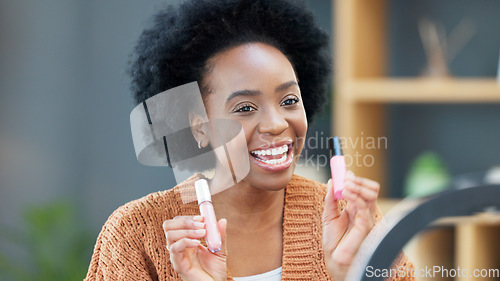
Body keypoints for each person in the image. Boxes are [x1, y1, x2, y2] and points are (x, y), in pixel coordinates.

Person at [85, 0, 414, 280]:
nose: (275, 123)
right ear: (197, 126)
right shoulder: (136, 235)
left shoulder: (351, 222)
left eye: (289, 101)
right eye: (245, 108)